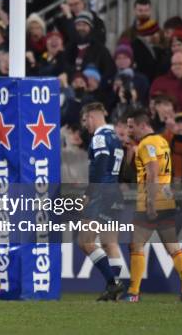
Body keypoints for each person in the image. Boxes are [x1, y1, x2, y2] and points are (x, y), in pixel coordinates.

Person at [123, 109, 182, 302]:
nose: (129, 131)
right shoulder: (161, 140)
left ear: (143, 125)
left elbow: (153, 172)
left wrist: (151, 203)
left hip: (150, 201)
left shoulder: (147, 144)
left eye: (131, 126)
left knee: (136, 246)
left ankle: (133, 292)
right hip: (167, 199)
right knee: (173, 248)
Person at [79, 102, 125, 301]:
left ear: (92, 116)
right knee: (109, 243)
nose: (84, 125)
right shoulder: (115, 136)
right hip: (114, 192)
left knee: (85, 241)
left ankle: (113, 283)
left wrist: (89, 194)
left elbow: (101, 165)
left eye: (84, 120)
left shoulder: (99, 137)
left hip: (101, 194)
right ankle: (115, 289)